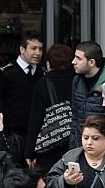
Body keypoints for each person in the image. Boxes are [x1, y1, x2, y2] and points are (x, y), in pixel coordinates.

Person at [0, 30, 44, 153]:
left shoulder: (43, 74)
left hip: (38, 137)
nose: (37, 53)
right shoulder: (5, 73)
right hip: (11, 136)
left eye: (40, 49)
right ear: (22, 49)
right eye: (33, 48)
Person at [25, 44, 76, 173]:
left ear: (48, 64)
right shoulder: (78, 81)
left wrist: (30, 152)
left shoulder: (42, 84)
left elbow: (35, 120)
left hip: (50, 145)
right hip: (75, 143)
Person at [69, 41, 105, 149]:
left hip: (102, 147)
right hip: (80, 145)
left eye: (78, 58)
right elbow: (75, 117)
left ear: (91, 62)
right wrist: (73, 147)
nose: (73, 62)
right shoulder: (77, 81)